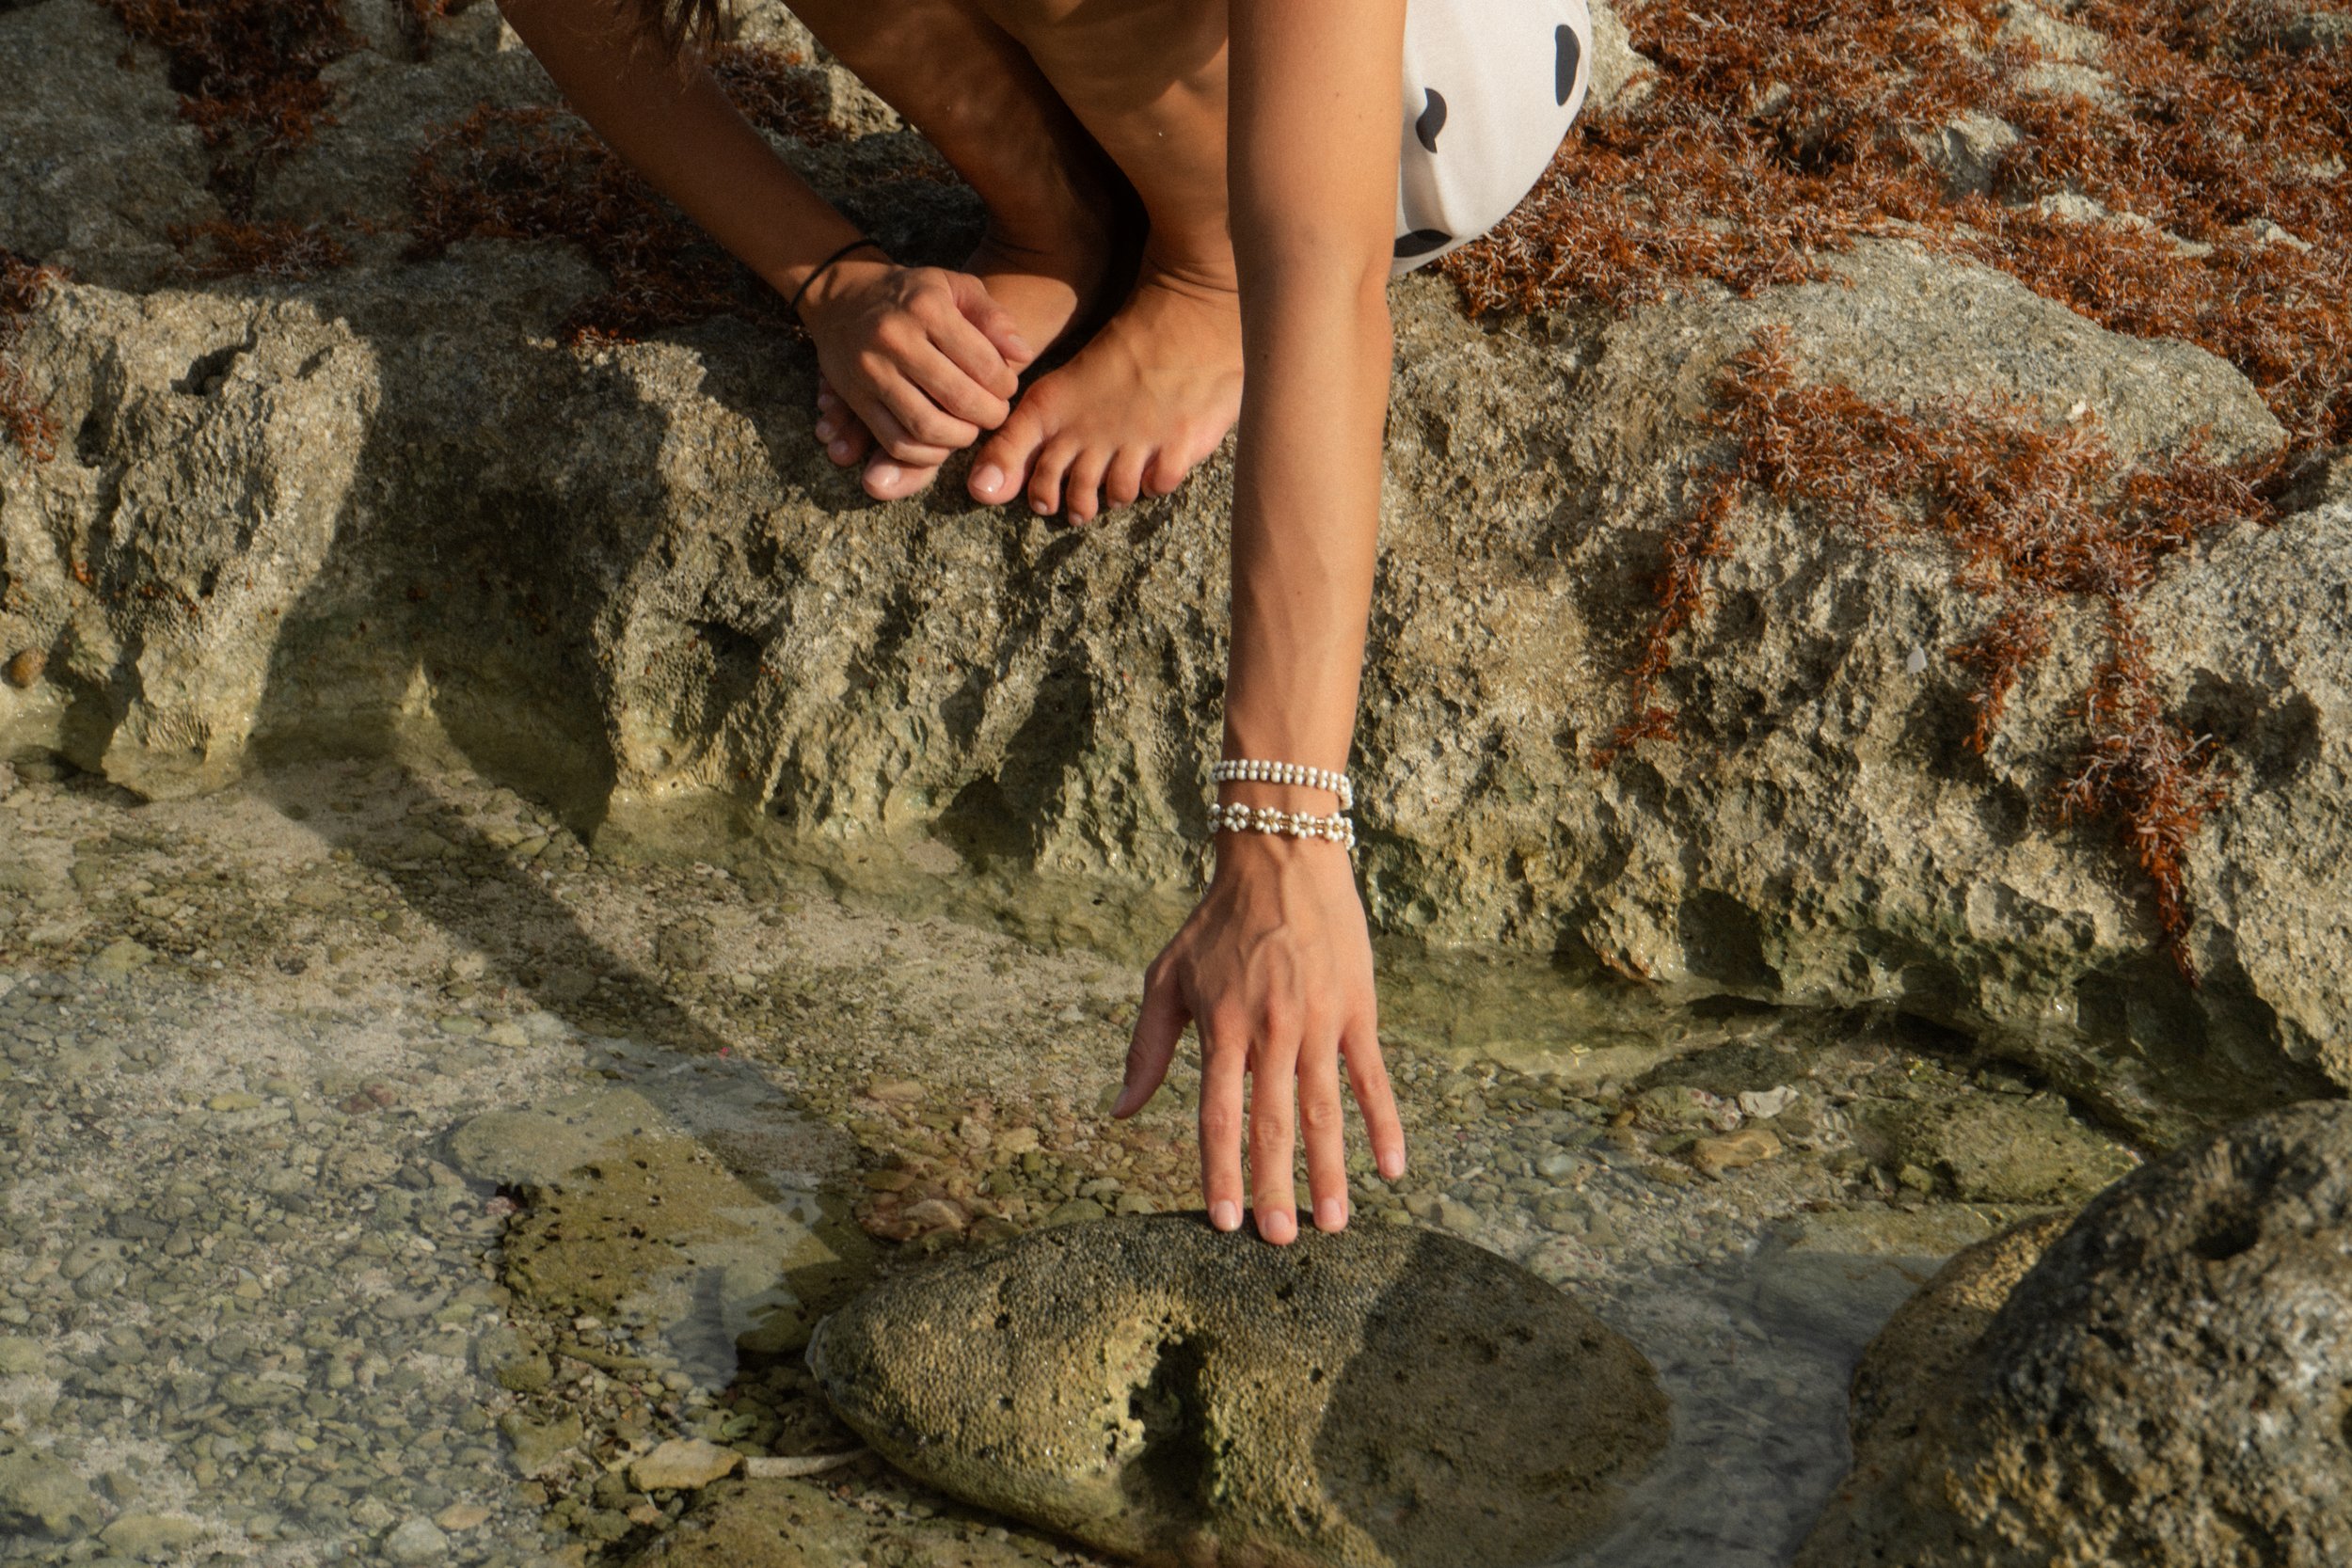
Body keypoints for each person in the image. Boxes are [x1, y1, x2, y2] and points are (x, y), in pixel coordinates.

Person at [497, 0, 1594, 1243]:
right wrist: (829, 275)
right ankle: (1061, 214)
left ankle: (1201, 263)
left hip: (1411, 107)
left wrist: (1282, 837)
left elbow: (1328, 283)